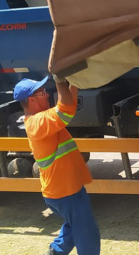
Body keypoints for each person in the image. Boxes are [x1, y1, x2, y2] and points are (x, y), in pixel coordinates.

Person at [13, 77, 100, 255]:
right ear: (31, 100)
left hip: (66, 188)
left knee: (74, 225)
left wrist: (74, 81)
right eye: (42, 92)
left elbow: (69, 108)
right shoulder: (37, 122)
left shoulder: (42, 120)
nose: (46, 95)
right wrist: (60, 80)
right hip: (63, 191)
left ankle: (56, 252)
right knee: (86, 231)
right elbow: (65, 111)